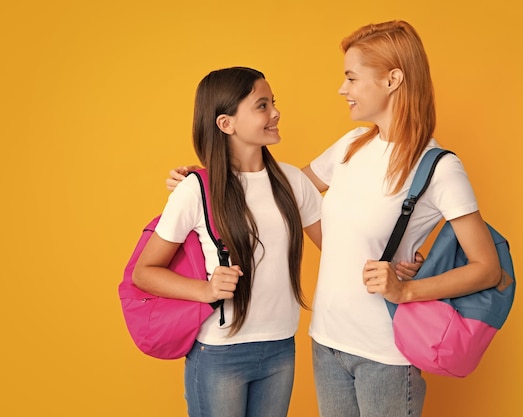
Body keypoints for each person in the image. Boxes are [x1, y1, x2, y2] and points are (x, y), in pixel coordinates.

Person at [168, 20, 501, 417]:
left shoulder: (439, 168)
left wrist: (406, 289)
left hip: (386, 351)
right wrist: (205, 176)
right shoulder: (350, 147)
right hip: (326, 343)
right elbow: (272, 190)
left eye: (352, 77)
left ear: (393, 79)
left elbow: (487, 269)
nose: (343, 89)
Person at [133, 66, 323, 417]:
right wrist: (205, 290)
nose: (275, 112)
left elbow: (339, 249)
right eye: (262, 105)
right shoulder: (195, 189)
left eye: (273, 103)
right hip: (220, 353)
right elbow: (144, 273)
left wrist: (405, 259)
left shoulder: (293, 183)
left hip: (281, 347)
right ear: (226, 123)